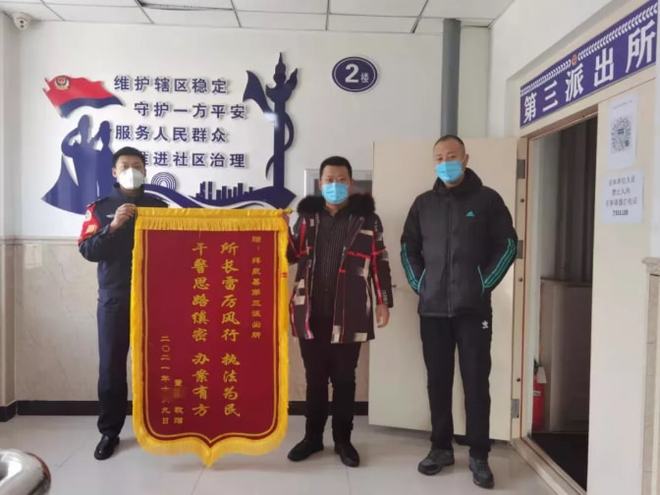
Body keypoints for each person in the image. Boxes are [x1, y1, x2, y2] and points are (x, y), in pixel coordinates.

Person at [400, 135, 517, 489]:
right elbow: (408, 247)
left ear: (466, 158)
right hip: (432, 310)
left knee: (476, 381)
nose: (445, 162)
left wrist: (484, 283)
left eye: (451, 156)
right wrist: (421, 283)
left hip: (473, 310)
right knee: (438, 381)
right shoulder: (423, 204)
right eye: (439, 157)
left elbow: (508, 245)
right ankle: (440, 448)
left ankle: (479, 454)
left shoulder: (488, 200)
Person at [286, 156, 393, 467]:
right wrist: (280, 230)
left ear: (351, 183)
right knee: (315, 379)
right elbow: (291, 255)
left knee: (345, 380)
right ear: (321, 184)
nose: (335, 185)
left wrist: (383, 301)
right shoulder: (307, 217)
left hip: (351, 312)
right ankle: (312, 438)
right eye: (329, 180)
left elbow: (379, 261)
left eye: (341, 179)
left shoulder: (368, 220)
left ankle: (343, 441)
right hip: (310, 312)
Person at [78, 146, 167, 460]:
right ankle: (110, 432)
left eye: (137, 165)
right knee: (111, 367)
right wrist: (113, 226)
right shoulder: (100, 208)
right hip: (115, 299)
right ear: (114, 172)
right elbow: (87, 250)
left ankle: (159, 424)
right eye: (125, 165)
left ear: (145, 171)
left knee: (160, 364)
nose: (132, 170)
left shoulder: (160, 208)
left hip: (156, 300)